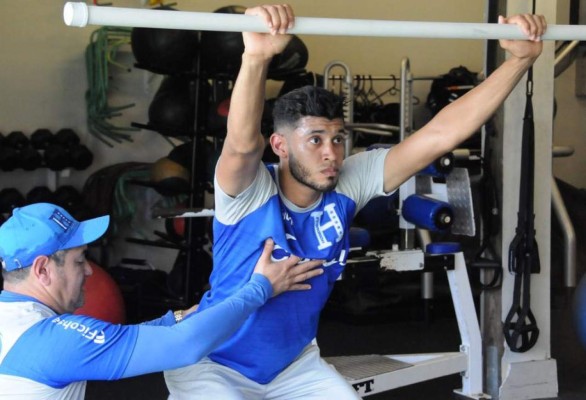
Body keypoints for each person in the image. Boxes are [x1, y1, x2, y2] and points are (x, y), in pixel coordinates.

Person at [164, 5, 547, 399]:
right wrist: (257, 57)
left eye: (337, 138)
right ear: (279, 145)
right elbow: (242, 144)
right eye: (315, 140)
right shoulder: (248, 190)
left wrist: (519, 62)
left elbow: (440, 135)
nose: (331, 153)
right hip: (212, 362)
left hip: (291, 365)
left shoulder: (349, 181)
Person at [0, 202, 324, 399]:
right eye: (79, 259)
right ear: (42, 269)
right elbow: (184, 346)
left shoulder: (18, 323)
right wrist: (260, 288)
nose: (88, 270)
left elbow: (125, 338)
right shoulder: (50, 340)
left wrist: (179, 317)